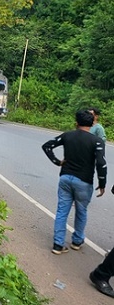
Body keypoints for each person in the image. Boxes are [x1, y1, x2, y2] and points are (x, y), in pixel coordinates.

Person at [41, 109, 107, 255]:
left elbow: (47, 146)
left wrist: (57, 162)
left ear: (76, 123)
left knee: (62, 211)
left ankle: (58, 244)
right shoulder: (97, 141)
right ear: (92, 123)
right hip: (84, 181)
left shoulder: (67, 136)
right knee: (81, 211)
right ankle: (77, 241)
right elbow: (101, 163)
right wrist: (102, 184)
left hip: (65, 178)